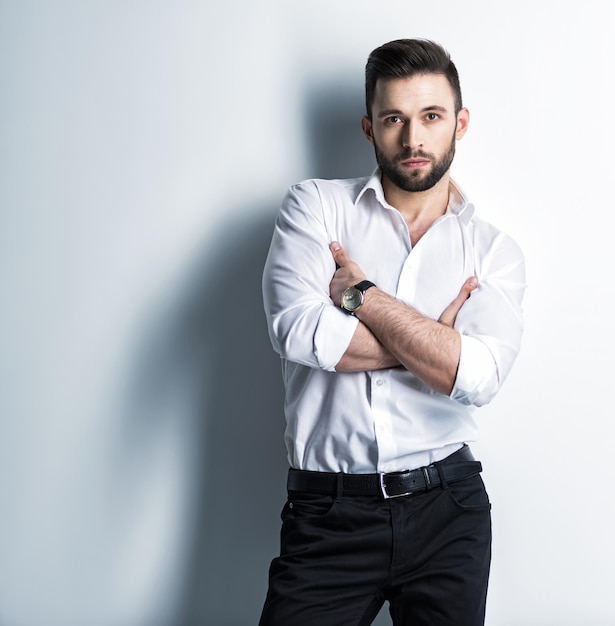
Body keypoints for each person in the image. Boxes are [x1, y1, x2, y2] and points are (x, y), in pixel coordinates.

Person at [259, 38, 525, 626]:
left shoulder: (493, 252)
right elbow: (298, 331)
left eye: (430, 117)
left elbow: (476, 376)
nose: (413, 139)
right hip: (326, 514)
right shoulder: (315, 209)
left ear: (460, 122)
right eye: (394, 120)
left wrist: (362, 296)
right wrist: (434, 342)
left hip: (447, 508)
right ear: (368, 127)